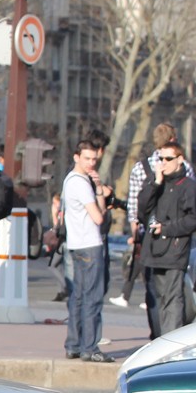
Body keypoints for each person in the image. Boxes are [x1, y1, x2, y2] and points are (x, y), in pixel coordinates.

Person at [111, 122, 178, 336]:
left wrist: (135, 234)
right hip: (174, 234)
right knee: (173, 290)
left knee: (152, 288)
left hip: (148, 234)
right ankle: (170, 333)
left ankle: (156, 333)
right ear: (173, 140)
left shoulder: (142, 168)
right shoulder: (180, 166)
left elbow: (134, 207)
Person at [134, 137, 196, 334]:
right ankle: (159, 338)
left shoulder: (189, 186)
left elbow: (194, 219)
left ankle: (170, 341)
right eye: (161, 159)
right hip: (154, 250)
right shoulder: (156, 183)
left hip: (175, 249)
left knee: (173, 298)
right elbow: (142, 211)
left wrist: (167, 228)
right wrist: (156, 183)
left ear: (180, 160)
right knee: (159, 298)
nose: (163, 163)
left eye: (168, 159)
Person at [61, 135, 111, 362]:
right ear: (77, 157)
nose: (91, 163)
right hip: (90, 244)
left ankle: (74, 344)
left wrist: (99, 188)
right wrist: (97, 194)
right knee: (92, 297)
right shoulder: (81, 183)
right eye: (87, 158)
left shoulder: (70, 180)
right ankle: (90, 347)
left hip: (75, 244)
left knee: (78, 296)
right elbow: (98, 217)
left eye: (93, 158)